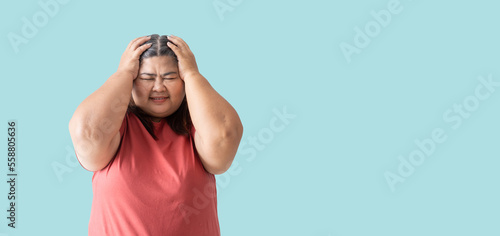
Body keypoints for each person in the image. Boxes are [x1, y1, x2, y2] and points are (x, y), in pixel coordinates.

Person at [68, 34, 243, 235]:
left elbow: (225, 137)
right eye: (146, 78)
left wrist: (193, 74)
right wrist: (123, 72)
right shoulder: (114, 129)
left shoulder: (197, 130)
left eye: (170, 77)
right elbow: (86, 133)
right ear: (132, 81)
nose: (159, 87)